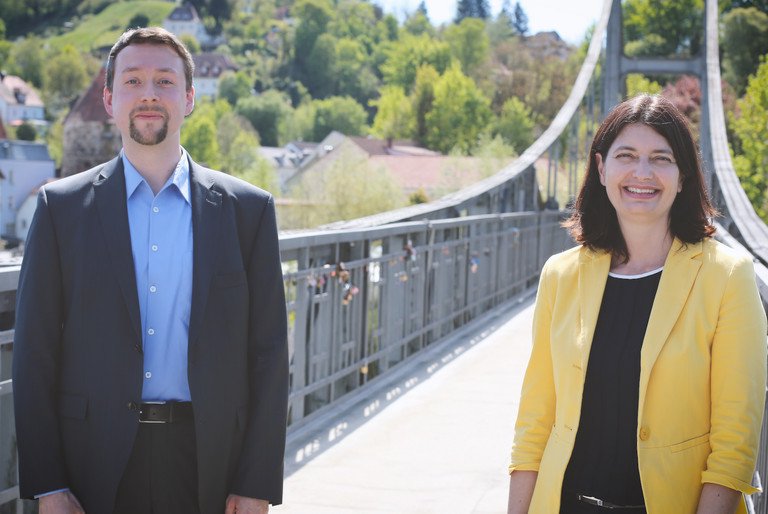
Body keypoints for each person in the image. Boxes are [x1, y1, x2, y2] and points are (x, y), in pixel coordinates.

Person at [12, 27, 288, 514]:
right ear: (110, 98)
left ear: (189, 98)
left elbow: (268, 357)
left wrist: (257, 480)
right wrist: (48, 484)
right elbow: (34, 354)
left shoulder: (249, 211)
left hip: (212, 463)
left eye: (164, 81)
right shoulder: (61, 209)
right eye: (133, 81)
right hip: (91, 463)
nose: (148, 95)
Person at [506, 94, 767, 514]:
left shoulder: (727, 277)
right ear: (601, 168)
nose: (642, 173)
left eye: (661, 159)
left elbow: (735, 441)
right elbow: (535, 423)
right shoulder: (560, 275)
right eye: (626, 155)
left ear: (682, 176)